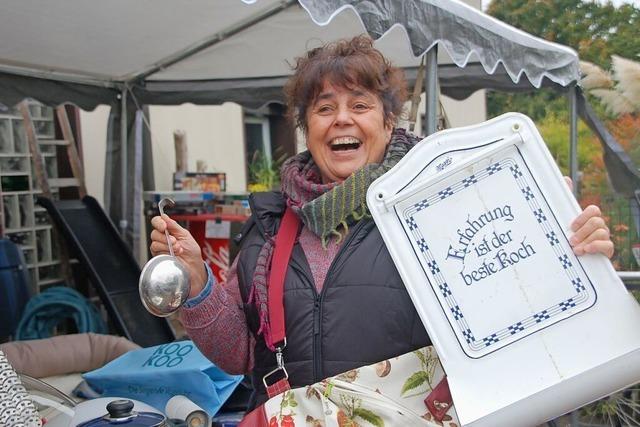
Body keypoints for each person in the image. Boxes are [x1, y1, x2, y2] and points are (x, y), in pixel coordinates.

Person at [149, 35, 614, 410]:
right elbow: (240, 356)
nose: (341, 120)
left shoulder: (443, 206)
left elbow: (521, 312)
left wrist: (564, 253)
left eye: (361, 104)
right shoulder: (270, 229)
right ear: (306, 127)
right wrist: (197, 286)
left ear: (390, 121)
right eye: (324, 108)